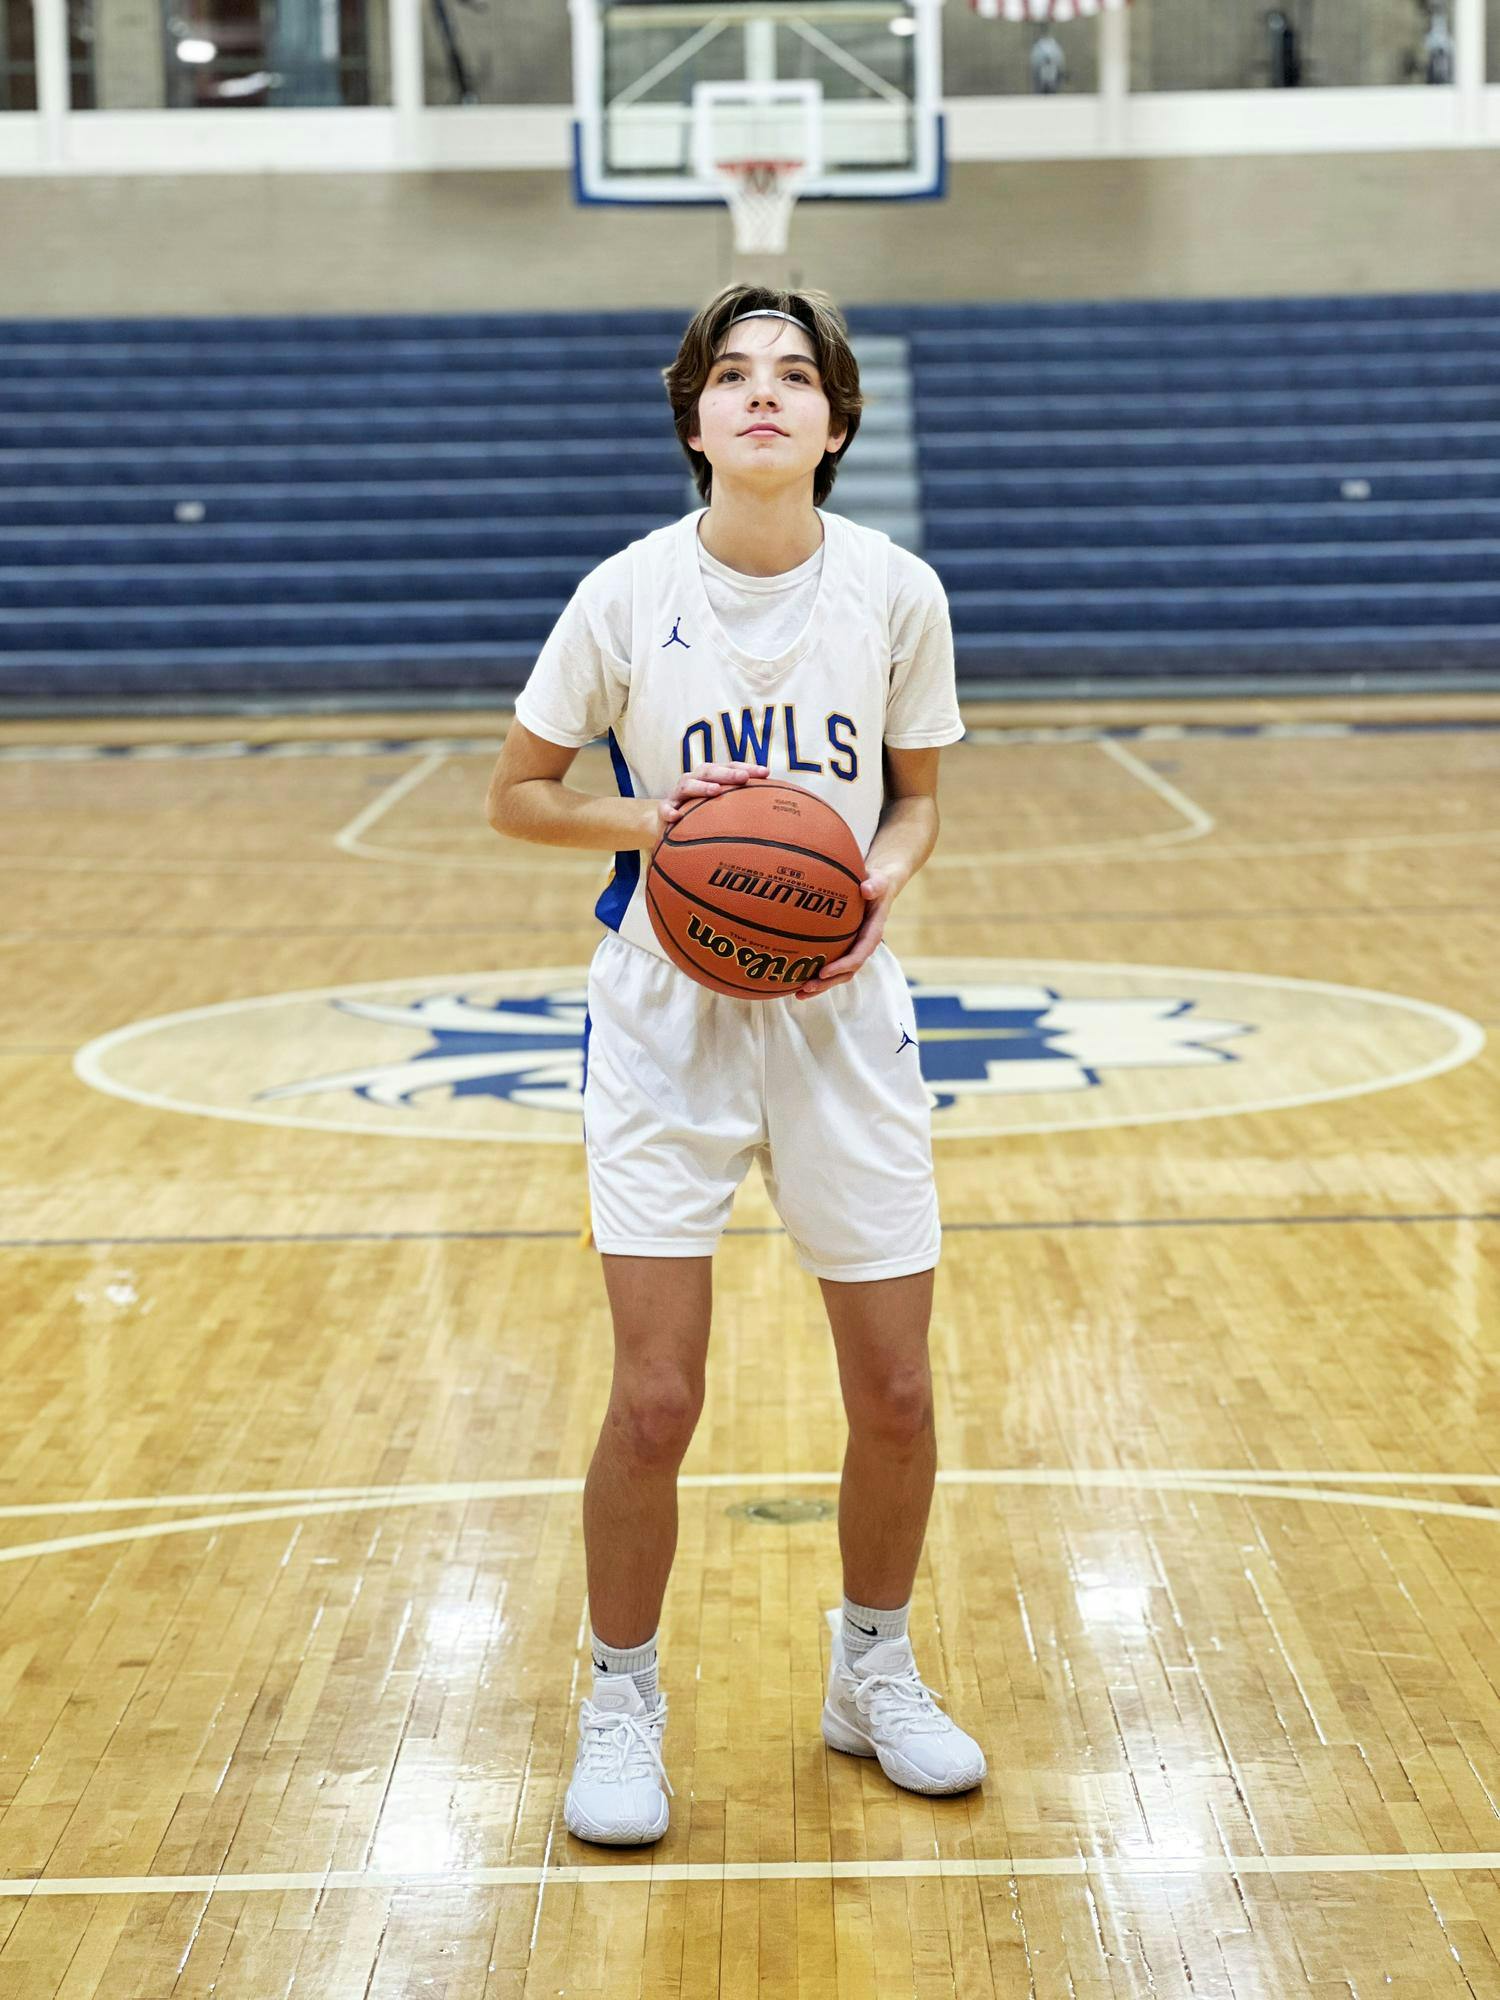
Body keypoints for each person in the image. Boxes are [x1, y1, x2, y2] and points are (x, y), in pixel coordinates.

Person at [484, 282, 984, 1846]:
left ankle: (873, 1672)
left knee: (895, 1388)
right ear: (694, 415)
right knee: (655, 1397)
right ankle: (621, 1697)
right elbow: (518, 794)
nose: (762, 397)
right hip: (663, 1013)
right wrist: (675, 828)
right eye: (733, 376)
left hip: (841, 1009)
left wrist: (877, 883)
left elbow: (914, 802)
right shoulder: (627, 596)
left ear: (835, 423)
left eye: (794, 378)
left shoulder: (896, 590)